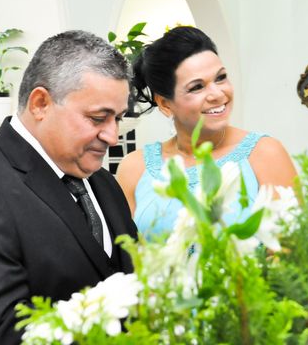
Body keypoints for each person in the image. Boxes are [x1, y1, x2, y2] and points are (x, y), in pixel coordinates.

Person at [0, 30, 138, 345]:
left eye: (117, 118)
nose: (113, 136)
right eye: (98, 118)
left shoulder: (103, 182)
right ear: (40, 103)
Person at [116, 26, 297, 237]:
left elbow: (294, 256)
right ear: (165, 104)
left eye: (220, 78)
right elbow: (126, 257)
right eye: (197, 87)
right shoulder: (134, 169)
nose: (218, 94)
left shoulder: (265, 154)